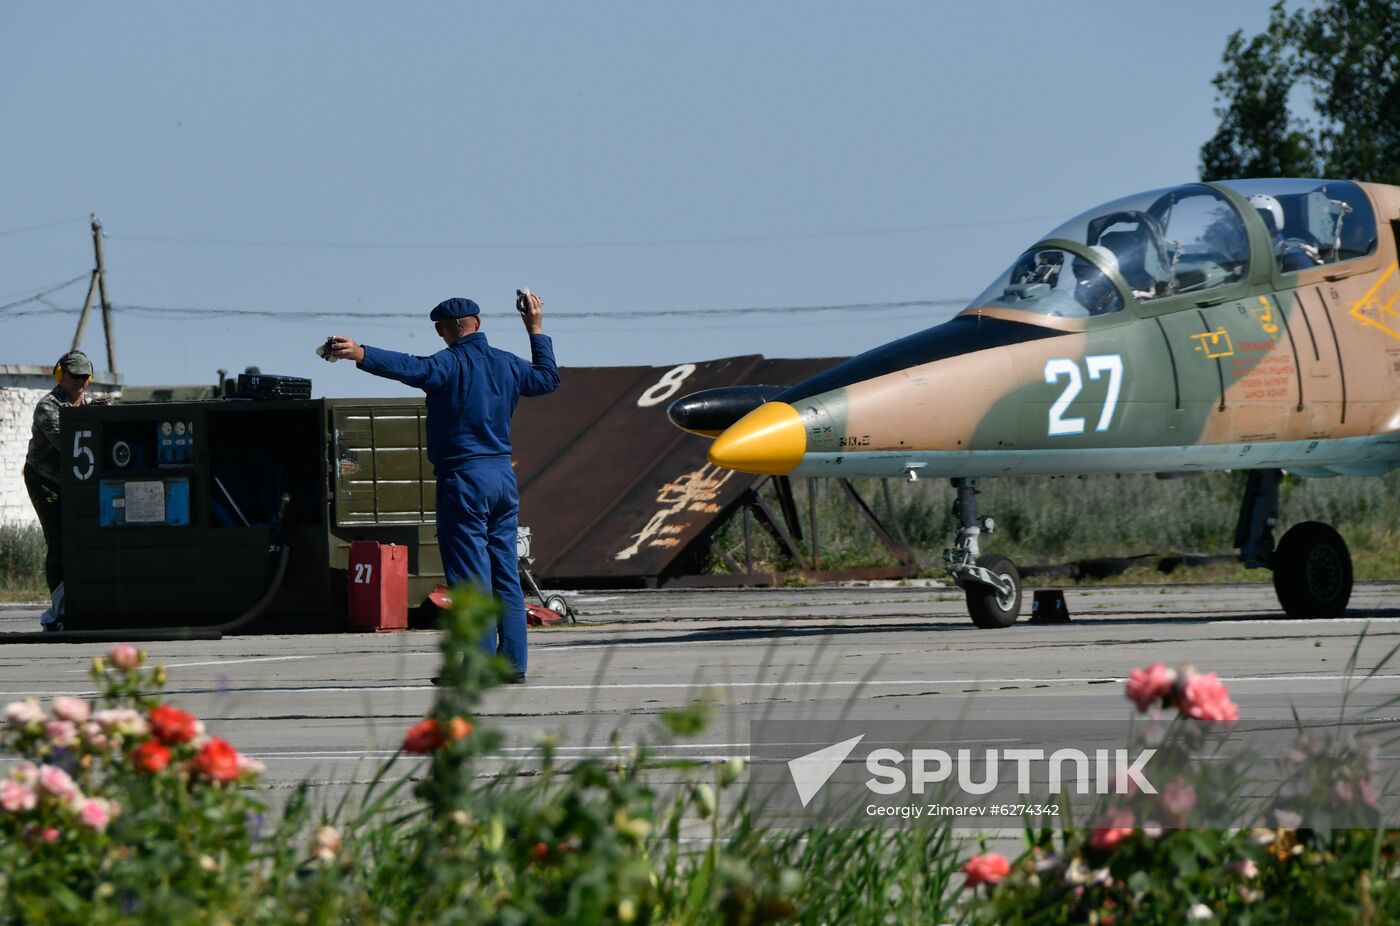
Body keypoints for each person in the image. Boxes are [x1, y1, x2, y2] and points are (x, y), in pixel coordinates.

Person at [328, 292, 559, 681]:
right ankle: (513, 664)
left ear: (445, 330)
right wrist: (534, 329)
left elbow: (409, 367)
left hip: (464, 480)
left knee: (471, 578)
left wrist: (361, 353)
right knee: (505, 574)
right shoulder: (507, 363)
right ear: (478, 324)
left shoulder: (449, 364)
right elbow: (548, 378)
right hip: (503, 478)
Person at [24, 350, 97, 630]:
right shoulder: (48, 406)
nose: (79, 381)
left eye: (84, 376)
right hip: (45, 479)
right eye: (73, 376)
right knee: (59, 539)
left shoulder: (90, 405)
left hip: (76, 480)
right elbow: (68, 444)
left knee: (84, 537)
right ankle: (60, 607)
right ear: (60, 376)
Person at [1248, 193, 1320, 273]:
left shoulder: (1293, 256)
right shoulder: (1246, 251)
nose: (1247, 225)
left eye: (1263, 219)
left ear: (1274, 221)